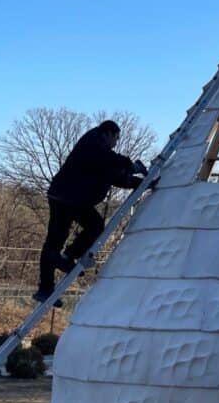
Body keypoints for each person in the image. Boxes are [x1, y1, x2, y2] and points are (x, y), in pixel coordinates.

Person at [34, 120, 146, 304]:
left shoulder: (97, 149)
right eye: (116, 138)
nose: (116, 142)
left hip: (67, 196)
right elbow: (109, 162)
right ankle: (56, 271)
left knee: (60, 238)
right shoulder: (93, 144)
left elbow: (112, 175)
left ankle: (57, 270)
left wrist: (136, 182)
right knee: (88, 227)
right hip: (69, 197)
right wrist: (131, 166)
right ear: (108, 133)